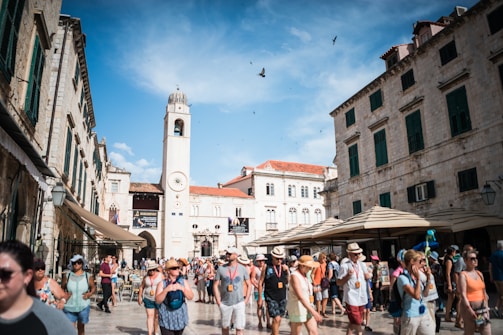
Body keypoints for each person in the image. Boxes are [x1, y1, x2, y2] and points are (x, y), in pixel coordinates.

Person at [0, 240, 76, 334]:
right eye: (38, 269)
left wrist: (62, 302)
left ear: (27, 276)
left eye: (5, 274)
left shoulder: (55, 323)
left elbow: (63, 295)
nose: (40, 271)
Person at [213, 247, 251, 335]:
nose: (227, 255)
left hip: (239, 302)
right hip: (225, 302)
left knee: (239, 328)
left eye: (229, 254)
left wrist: (246, 300)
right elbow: (215, 285)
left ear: (236, 255)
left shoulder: (242, 269)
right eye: (227, 253)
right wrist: (218, 301)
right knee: (225, 327)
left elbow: (249, 284)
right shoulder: (221, 269)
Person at [337, 242, 372, 335]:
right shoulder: (344, 266)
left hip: (361, 297)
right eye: (355, 254)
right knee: (357, 321)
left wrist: (368, 277)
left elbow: (366, 278)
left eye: (359, 254)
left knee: (353, 322)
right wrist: (348, 276)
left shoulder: (362, 265)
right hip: (351, 297)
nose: (357, 256)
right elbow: (338, 282)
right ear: (349, 254)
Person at [397, 249, 434, 335]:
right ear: (412, 262)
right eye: (419, 261)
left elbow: (425, 294)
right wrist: (417, 278)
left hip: (423, 313)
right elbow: (416, 296)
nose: (422, 263)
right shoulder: (403, 278)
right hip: (411, 316)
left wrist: (428, 278)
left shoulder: (419, 275)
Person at [155, 259, 194, 335]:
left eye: (178, 268)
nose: (177, 270)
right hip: (166, 317)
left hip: (180, 317)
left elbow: (191, 297)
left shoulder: (183, 282)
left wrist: (182, 288)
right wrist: (166, 290)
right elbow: (157, 300)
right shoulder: (162, 284)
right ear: (168, 271)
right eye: (174, 268)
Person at [286, 255, 322, 335]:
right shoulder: (295, 276)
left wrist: (313, 289)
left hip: (308, 306)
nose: (310, 269)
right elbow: (300, 296)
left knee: (314, 332)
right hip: (297, 308)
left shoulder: (305, 275)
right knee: (296, 333)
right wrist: (314, 312)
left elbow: (305, 289)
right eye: (309, 267)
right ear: (302, 266)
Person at [61, 254, 96, 335]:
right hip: (69, 305)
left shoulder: (88, 276)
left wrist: (89, 294)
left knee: (81, 329)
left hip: (83, 305)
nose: (76, 264)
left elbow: (93, 288)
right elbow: (62, 288)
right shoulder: (67, 275)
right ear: (72, 264)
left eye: (79, 262)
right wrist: (63, 297)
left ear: (82, 264)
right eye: (74, 263)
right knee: (69, 329)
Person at [459, 249, 492, 335]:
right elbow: (463, 294)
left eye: (476, 258)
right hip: (469, 308)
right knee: (470, 331)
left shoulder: (479, 273)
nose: (475, 260)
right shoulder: (463, 275)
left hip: (482, 308)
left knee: (486, 330)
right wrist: (469, 310)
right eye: (472, 258)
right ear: (465, 260)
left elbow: (484, 292)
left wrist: (487, 308)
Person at [258, 246, 289, 335]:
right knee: (276, 318)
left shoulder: (283, 267)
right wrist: (260, 298)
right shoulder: (266, 267)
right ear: (273, 257)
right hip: (271, 297)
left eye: (281, 259)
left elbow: (287, 281)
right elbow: (260, 282)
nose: (279, 261)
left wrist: (287, 272)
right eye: (277, 258)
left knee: (279, 319)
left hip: (282, 296)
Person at [139, 260, 164, 335]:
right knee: (150, 316)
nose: (152, 271)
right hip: (148, 298)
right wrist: (139, 296)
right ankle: (150, 333)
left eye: (153, 270)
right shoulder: (146, 277)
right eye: (150, 270)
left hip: (158, 299)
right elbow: (141, 287)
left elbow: (165, 285)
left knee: (156, 316)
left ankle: (155, 331)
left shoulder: (160, 276)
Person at [252, 254, 268, 329]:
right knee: (260, 306)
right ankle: (260, 322)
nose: (261, 262)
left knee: (268, 306)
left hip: (267, 289)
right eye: (260, 261)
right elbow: (252, 279)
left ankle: (268, 322)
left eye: (262, 260)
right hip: (258, 290)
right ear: (257, 261)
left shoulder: (267, 268)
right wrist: (258, 286)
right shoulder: (255, 269)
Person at [311, 252, 329, 317]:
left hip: (323, 282)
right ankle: (318, 312)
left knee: (325, 296)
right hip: (317, 282)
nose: (325, 260)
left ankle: (323, 311)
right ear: (321, 258)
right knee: (319, 298)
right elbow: (312, 274)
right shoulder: (316, 264)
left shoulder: (325, 264)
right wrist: (314, 282)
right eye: (324, 258)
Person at [489, 240, 503, 318]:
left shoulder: (493, 255)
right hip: (502, 277)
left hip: (495, 277)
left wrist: (491, 276)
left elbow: (490, 267)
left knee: (500, 294)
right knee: (502, 295)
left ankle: (496, 308)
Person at [444, 246, 457, 323]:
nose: (455, 253)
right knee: (451, 298)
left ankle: (447, 315)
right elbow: (448, 273)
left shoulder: (447, 259)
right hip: (450, 281)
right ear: (452, 252)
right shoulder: (449, 261)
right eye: (455, 252)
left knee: (451, 298)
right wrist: (449, 284)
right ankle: (447, 315)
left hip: (451, 281)